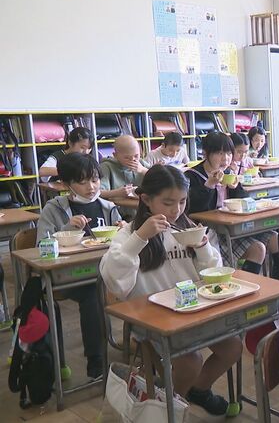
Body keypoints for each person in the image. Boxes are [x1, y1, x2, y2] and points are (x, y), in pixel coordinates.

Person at [100, 165, 241, 416]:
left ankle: (197, 390)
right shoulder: (128, 234)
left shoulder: (187, 228)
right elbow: (115, 282)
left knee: (233, 347)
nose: (176, 210)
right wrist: (140, 238)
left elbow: (213, 273)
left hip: (193, 310)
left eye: (182, 201)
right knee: (191, 362)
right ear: (146, 199)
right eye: (168, 203)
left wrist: (203, 248)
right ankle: (169, 409)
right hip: (152, 319)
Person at [37, 153, 124, 380]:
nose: (91, 187)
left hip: (104, 271)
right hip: (68, 276)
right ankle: (96, 359)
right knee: (92, 294)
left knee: (141, 281)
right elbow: (41, 246)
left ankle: (146, 344)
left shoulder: (108, 207)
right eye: (82, 182)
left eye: (94, 180)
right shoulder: (53, 209)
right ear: (66, 184)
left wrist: (125, 230)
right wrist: (67, 229)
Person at [185, 132, 267, 273]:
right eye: (220, 153)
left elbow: (245, 201)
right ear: (205, 154)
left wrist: (236, 189)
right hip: (207, 234)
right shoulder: (192, 176)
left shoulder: (228, 173)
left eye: (229, 153)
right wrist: (209, 185)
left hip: (229, 228)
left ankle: (244, 282)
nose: (225, 158)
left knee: (260, 247)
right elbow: (192, 209)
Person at [99, 135, 150, 220]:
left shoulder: (142, 164)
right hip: (117, 216)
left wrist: (143, 170)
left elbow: (161, 180)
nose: (133, 160)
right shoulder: (107, 167)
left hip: (142, 215)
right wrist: (116, 193)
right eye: (127, 157)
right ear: (115, 155)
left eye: (136, 156)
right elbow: (98, 193)